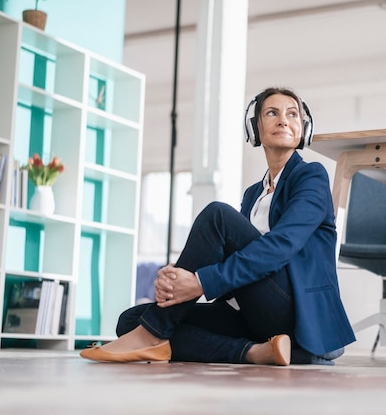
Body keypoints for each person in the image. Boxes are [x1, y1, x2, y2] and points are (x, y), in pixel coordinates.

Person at [80, 87, 356, 365]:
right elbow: (231, 258)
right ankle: (254, 351)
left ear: (303, 128)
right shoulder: (253, 194)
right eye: (272, 113)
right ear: (255, 129)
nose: (283, 120)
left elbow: (280, 247)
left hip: (296, 314)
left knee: (217, 217)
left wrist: (199, 282)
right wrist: (178, 279)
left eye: (292, 114)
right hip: (253, 314)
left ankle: (154, 335)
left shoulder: (311, 177)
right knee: (131, 320)